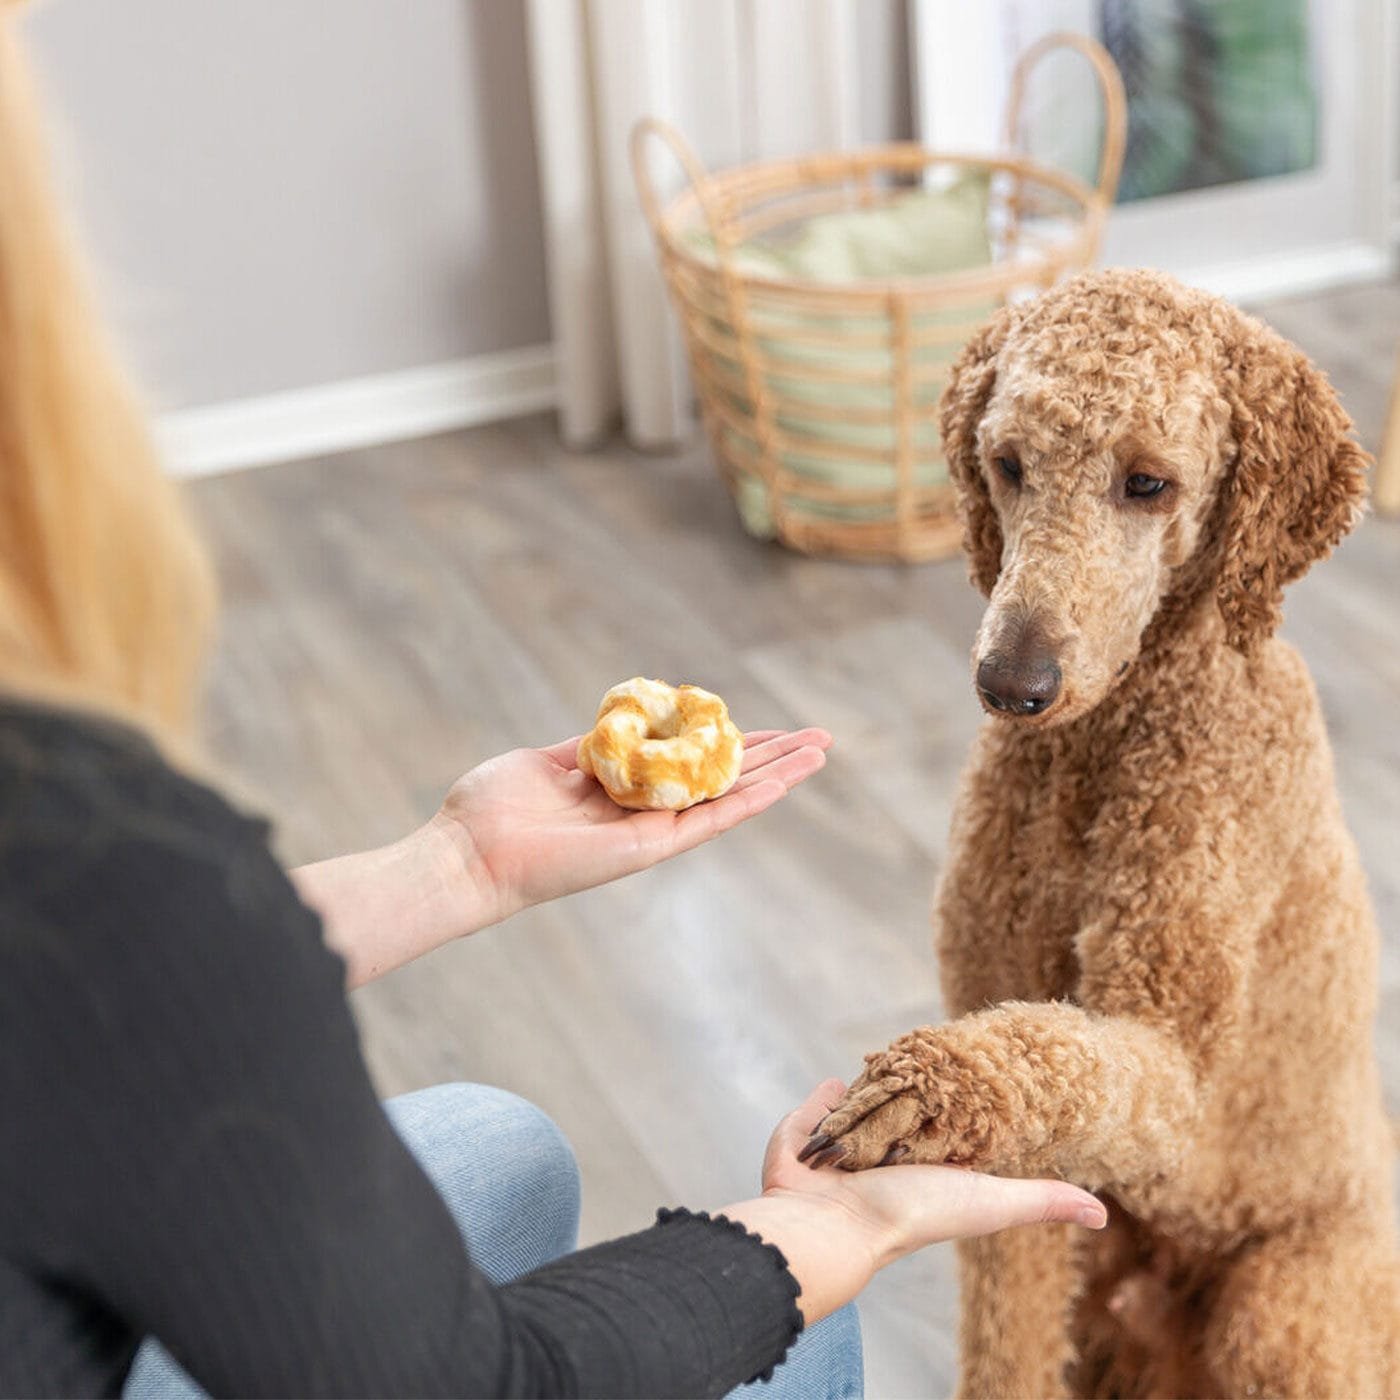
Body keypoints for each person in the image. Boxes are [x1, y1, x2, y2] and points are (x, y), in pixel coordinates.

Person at [0, 11, 1108, 1398]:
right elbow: (489, 1383)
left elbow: (65, 1013)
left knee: (496, 1142)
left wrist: (450, 866)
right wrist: (823, 1229)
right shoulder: (87, 851)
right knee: (804, 1334)